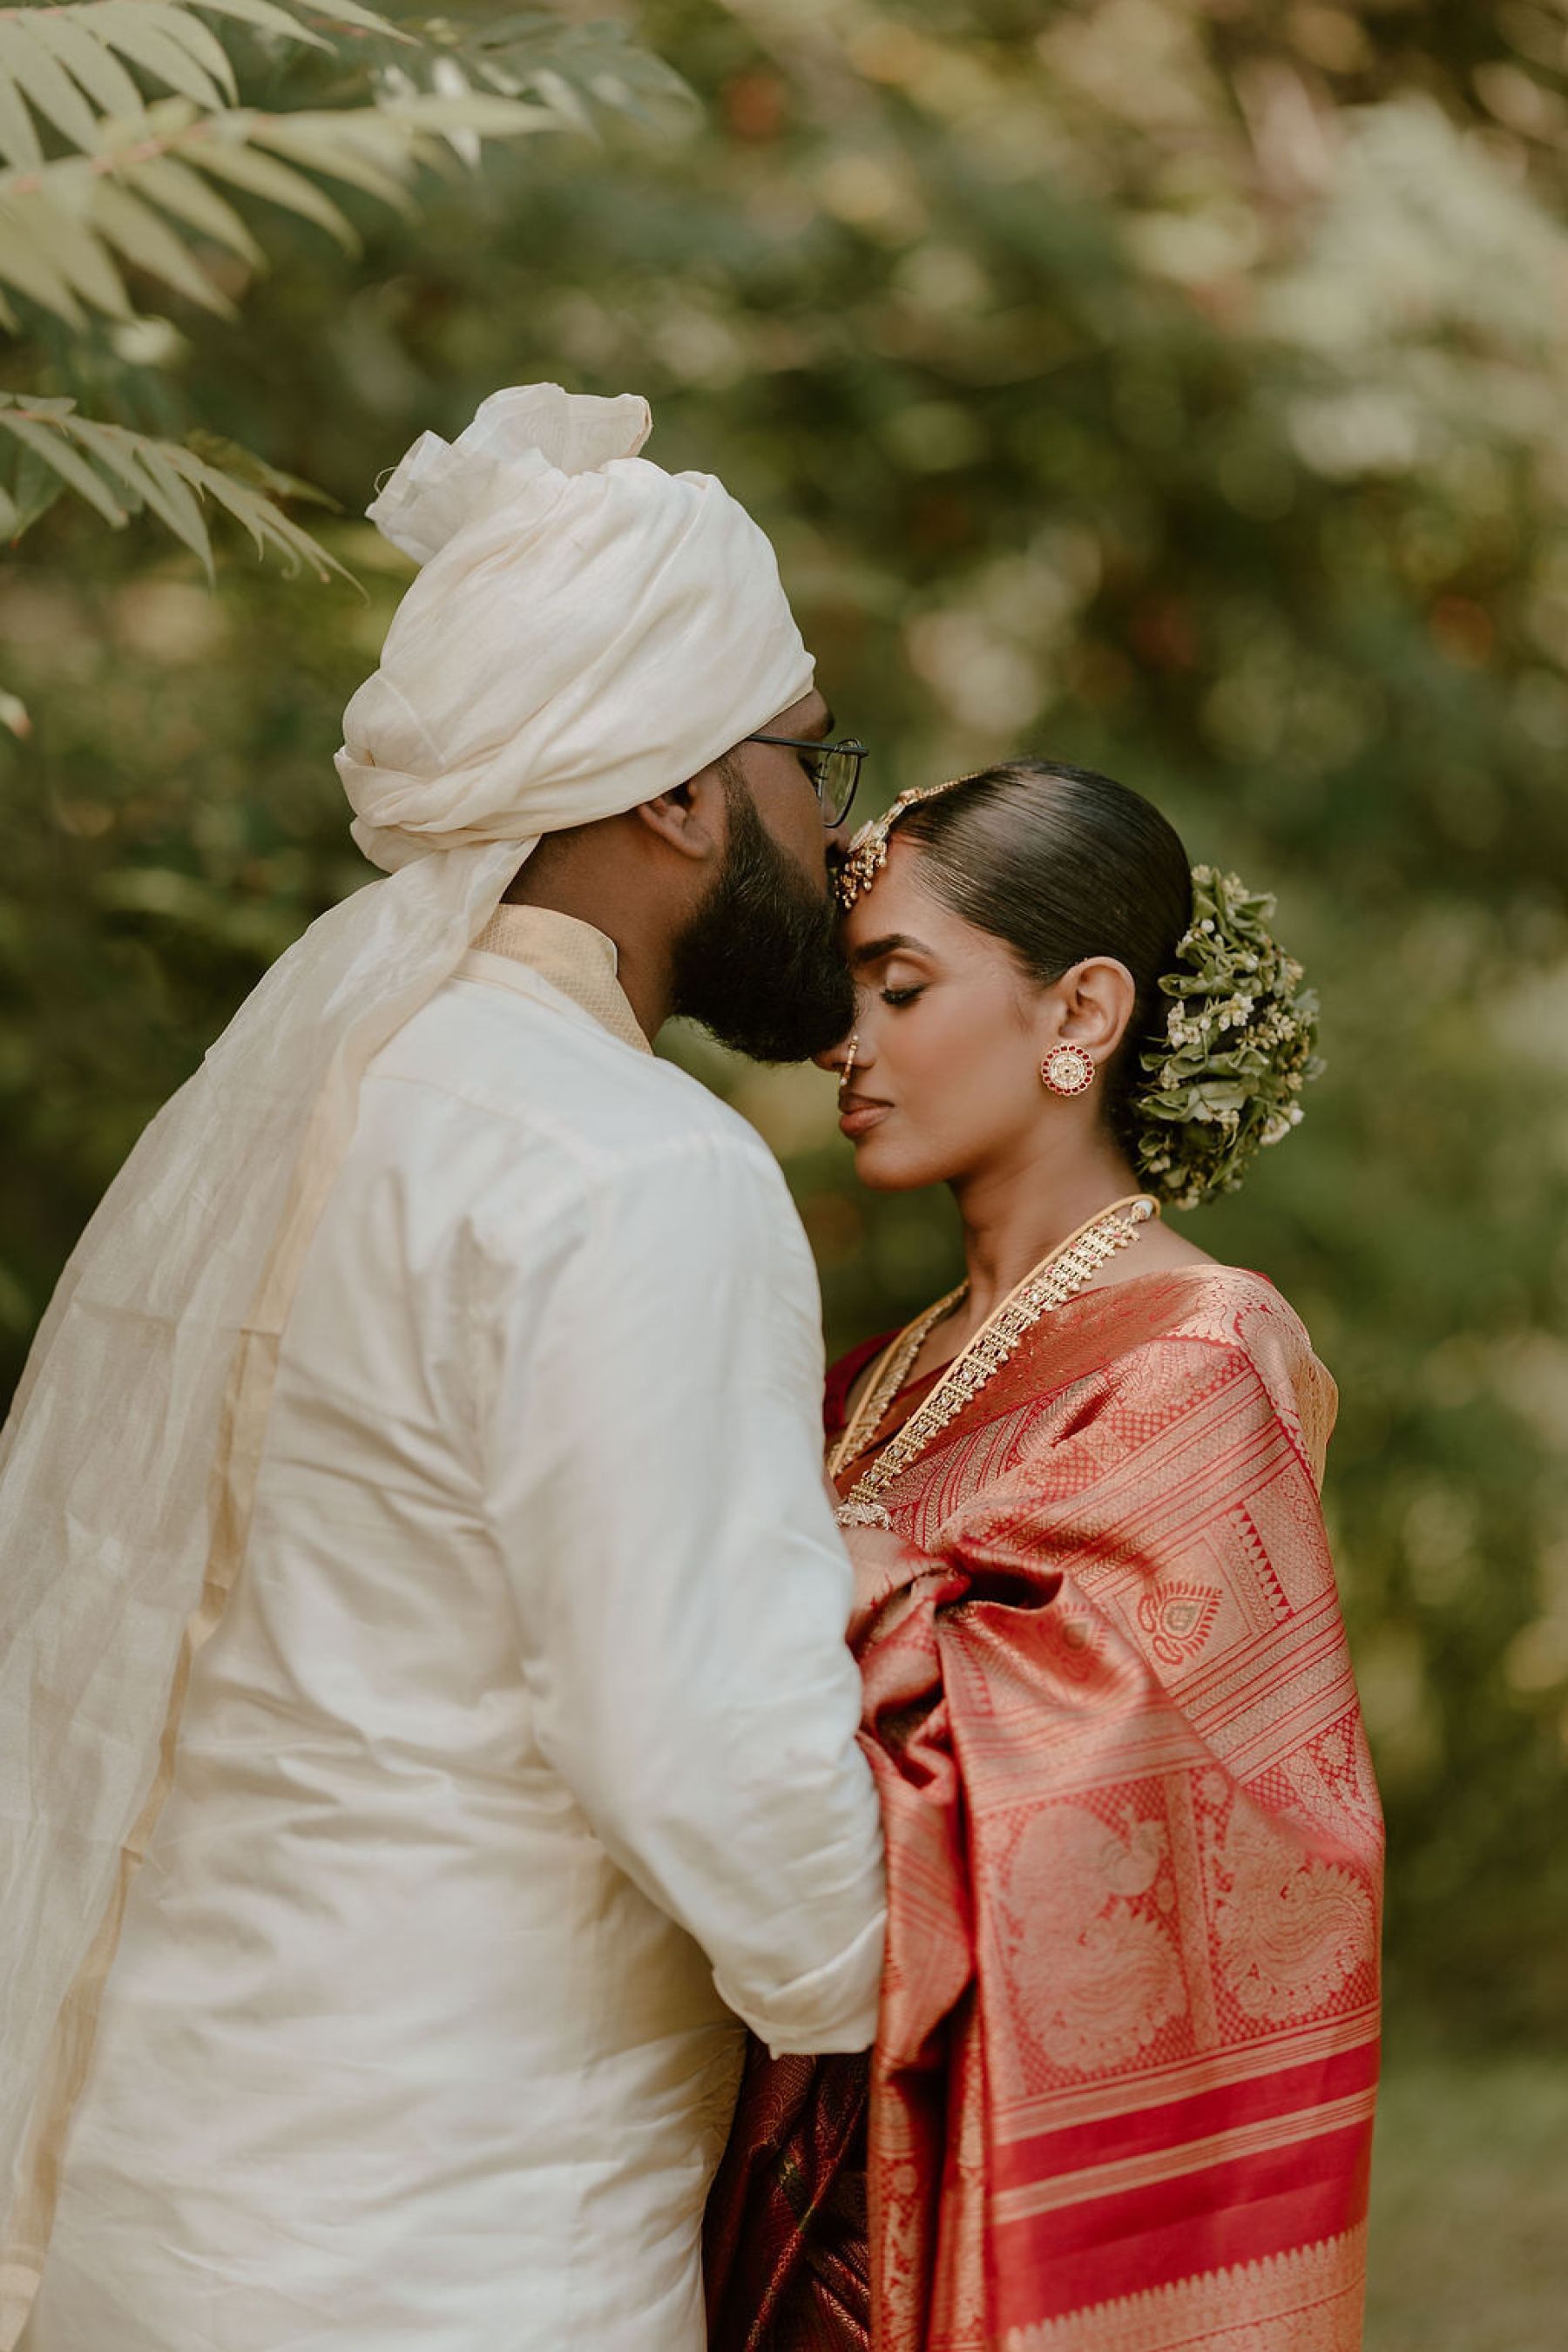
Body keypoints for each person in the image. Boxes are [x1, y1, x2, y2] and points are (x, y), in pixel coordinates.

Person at [0, 383, 886, 2352]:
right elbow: (706, 1751)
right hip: (446, 2244)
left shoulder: (299, 1094)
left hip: (145, 2199)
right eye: (811, 762)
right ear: (681, 795)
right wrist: (924, 1993)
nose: (841, 833)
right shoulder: (639, 1168)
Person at [706, 760, 1383, 2352]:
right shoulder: (870, 1374)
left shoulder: (1203, 1354)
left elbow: (1153, 1793)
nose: (844, 1043)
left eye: (899, 988)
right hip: (788, 2131)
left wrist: (825, 1582)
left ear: (1080, 1011)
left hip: (966, 2189)